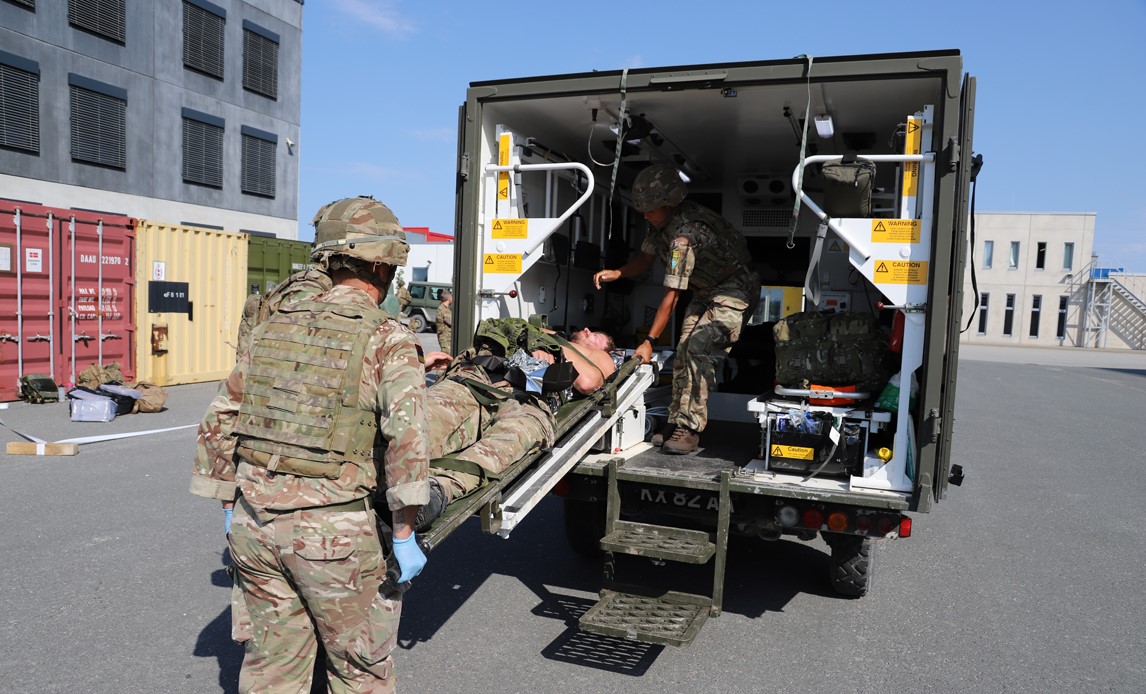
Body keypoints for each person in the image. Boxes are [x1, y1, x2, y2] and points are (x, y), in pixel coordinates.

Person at [192, 196, 430, 693]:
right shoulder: (386, 336)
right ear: (384, 267)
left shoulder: (272, 325)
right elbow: (407, 439)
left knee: (271, 669)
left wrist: (229, 506)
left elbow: (220, 418)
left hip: (255, 528)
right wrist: (405, 534)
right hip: (333, 537)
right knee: (360, 669)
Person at [594, 164, 758, 455]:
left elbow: (671, 296)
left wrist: (649, 342)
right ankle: (676, 420)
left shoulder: (684, 237)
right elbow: (644, 261)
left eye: (650, 208)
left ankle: (690, 430)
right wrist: (618, 273)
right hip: (705, 290)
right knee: (684, 350)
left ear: (668, 204)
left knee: (697, 350)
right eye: (642, 208)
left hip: (735, 289)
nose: (644, 214)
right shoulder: (659, 225)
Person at [416, 324, 617, 525]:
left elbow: (587, 382)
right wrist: (537, 338)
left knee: (505, 442)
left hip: (527, 402)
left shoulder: (599, 356)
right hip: (478, 379)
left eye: (597, 335)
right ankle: (393, 467)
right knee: (425, 420)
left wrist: (556, 346)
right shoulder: (533, 329)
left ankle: (437, 491)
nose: (587, 330)